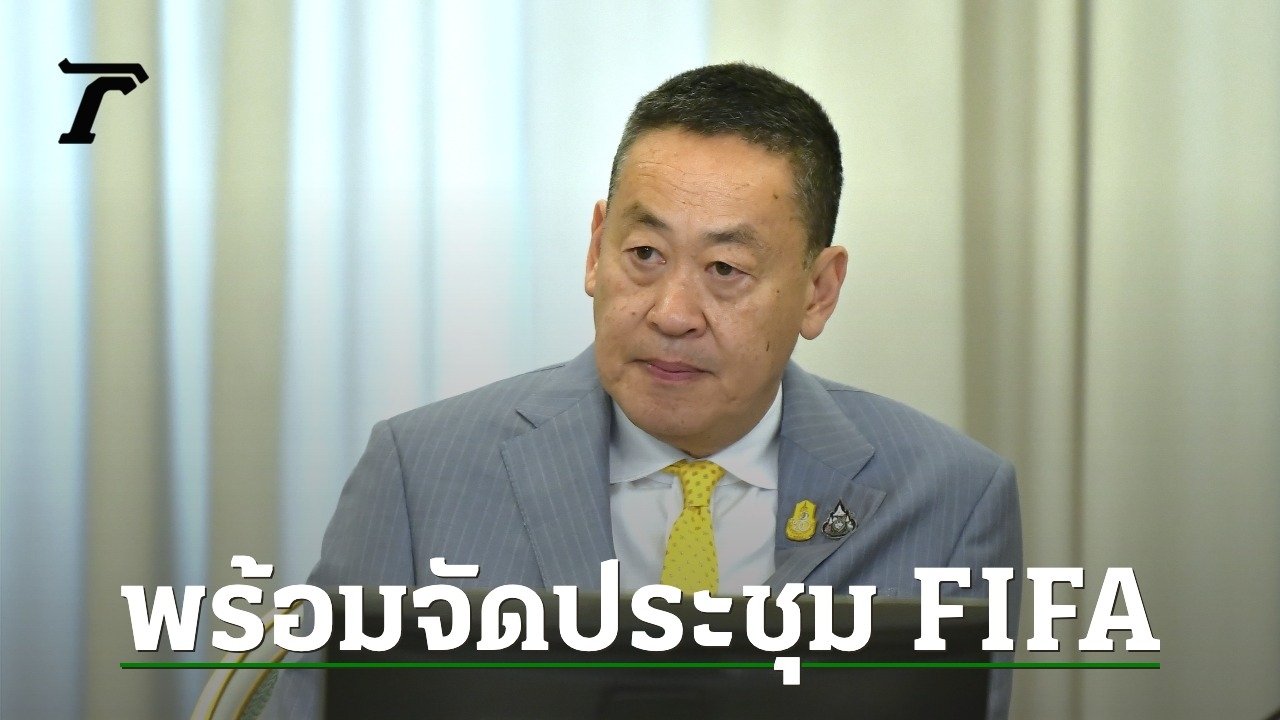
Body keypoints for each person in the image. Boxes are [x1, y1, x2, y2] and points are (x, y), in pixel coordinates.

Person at [273, 63, 1021, 718]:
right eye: (644, 254)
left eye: (725, 270)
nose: (671, 313)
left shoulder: (951, 500)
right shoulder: (418, 475)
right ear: (595, 249)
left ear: (819, 291)